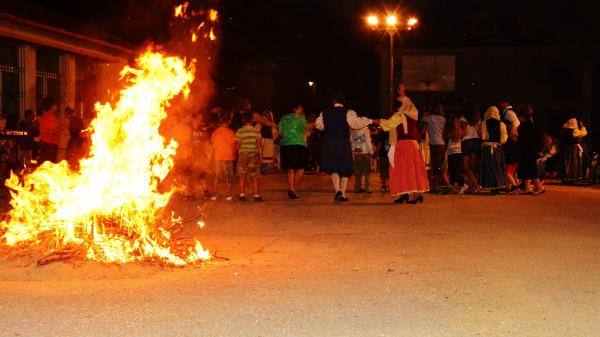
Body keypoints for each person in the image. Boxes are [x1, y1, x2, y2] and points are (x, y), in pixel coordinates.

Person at [315, 93, 375, 202]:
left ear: (333, 101)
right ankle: (342, 194)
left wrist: (330, 125)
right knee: (345, 168)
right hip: (343, 142)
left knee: (333, 167)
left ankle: (337, 191)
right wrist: (370, 121)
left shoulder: (325, 112)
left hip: (330, 142)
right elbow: (356, 124)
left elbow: (319, 125)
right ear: (344, 102)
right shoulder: (348, 112)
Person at [379, 83, 429, 204]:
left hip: (404, 145)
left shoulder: (400, 116)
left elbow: (387, 125)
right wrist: (403, 94)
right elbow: (408, 105)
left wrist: (373, 120)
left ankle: (412, 195)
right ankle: (407, 194)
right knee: (410, 170)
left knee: (404, 170)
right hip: (412, 145)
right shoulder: (413, 115)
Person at [278, 103, 312, 199]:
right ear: (295, 109)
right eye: (300, 108)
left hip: (286, 145)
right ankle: (293, 189)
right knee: (301, 168)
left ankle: (291, 188)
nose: (302, 110)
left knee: (290, 169)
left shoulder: (283, 118)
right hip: (299, 144)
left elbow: (280, 133)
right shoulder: (301, 118)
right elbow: (308, 128)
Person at [516, 104, 545, 195]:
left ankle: (539, 187)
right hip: (531, 150)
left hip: (526, 151)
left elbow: (523, 140)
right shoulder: (531, 124)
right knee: (529, 168)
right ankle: (528, 187)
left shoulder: (524, 126)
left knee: (529, 169)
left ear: (521, 116)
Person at [235, 113, 263, 201]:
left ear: (243, 121)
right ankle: (256, 195)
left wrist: (235, 153)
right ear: (252, 120)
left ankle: (242, 195)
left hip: (243, 154)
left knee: (242, 175)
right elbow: (259, 145)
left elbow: (238, 145)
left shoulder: (239, 131)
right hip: (253, 154)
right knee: (255, 176)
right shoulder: (256, 131)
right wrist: (261, 157)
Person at [479, 106, 508, 193]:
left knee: (488, 167)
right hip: (497, 149)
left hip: (487, 148)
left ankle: (489, 184)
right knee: (497, 166)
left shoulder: (484, 123)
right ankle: (498, 184)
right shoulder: (502, 124)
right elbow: (504, 139)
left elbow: (483, 136)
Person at [423, 102, 450, 192]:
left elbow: (423, 129)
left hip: (434, 145)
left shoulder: (429, 118)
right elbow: (444, 133)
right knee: (439, 167)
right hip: (442, 144)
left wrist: (424, 117)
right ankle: (434, 186)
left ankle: (448, 186)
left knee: (436, 167)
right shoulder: (443, 119)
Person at [210, 110, 236, 201]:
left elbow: (213, 146)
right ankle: (229, 195)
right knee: (228, 176)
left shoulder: (215, 132)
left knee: (216, 176)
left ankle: (214, 195)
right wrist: (234, 155)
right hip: (228, 157)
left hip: (217, 157)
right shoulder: (231, 132)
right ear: (228, 121)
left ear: (220, 121)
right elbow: (233, 146)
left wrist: (212, 157)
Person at [498, 98, 520, 193]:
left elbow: (516, 122)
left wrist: (512, 130)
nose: (500, 104)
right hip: (513, 145)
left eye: (501, 102)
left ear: (505, 102)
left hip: (511, 143)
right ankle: (510, 186)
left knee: (508, 171)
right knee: (511, 171)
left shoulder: (508, 112)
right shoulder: (507, 112)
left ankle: (514, 186)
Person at [460, 100, 482, 193]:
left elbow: (464, 132)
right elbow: (480, 133)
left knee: (466, 167)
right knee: (472, 168)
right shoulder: (478, 118)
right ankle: (472, 187)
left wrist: (458, 135)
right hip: (476, 141)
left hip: (467, 142)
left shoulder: (463, 118)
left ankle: (476, 186)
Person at [560, 117, 587, 183]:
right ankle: (571, 178)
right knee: (573, 162)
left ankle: (566, 178)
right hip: (572, 148)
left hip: (565, 148)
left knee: (566, 162)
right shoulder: (573, 130)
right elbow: (583, 133)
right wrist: (583, 126)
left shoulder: (564, 129)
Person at [350, 124, 374, 193]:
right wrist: (371, 152)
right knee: (367, 172)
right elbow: (368, 142)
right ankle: (368, 188)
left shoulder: (353, 130)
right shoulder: (366, 130)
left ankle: (357, 188)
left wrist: (354, 149)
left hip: (357, 154)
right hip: (365, 153)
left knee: (357, 173)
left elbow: (351, 141)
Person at [38, 97, 62, 164]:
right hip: (49, 145)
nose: (57, 106)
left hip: (48, 144)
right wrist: (62, 127)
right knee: (48, 165)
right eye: (55, 104)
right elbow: (49, 132)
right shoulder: (49, 117)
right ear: (51, 106)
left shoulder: (46, 116)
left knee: (46, 165)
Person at [446, 114, 465, 193]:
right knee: (454, 170)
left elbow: (447, 138)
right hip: (457, 152)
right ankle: (454, 185)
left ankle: (463, 185)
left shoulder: (451, 130)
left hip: (452, 152)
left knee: (454, 170)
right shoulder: (458, 130)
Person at [372, 128, 390, 193]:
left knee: (382, 171)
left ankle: (383, 186)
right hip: (390, 155)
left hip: (382, 155)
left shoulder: (382, 133)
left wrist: (376, 153)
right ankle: (388, 186)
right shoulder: (391, 132)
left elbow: (379, 144)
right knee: (388, 171)